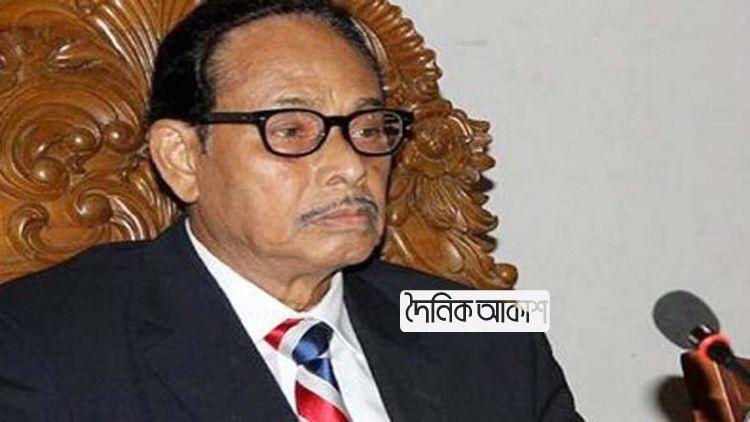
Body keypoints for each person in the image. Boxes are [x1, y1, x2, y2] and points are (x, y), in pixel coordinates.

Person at [0, 0, 583, 420]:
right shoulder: (35, 343)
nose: (351, 165)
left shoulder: (486, 326)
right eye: (291, 130)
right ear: (181, 157)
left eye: (368, 127)